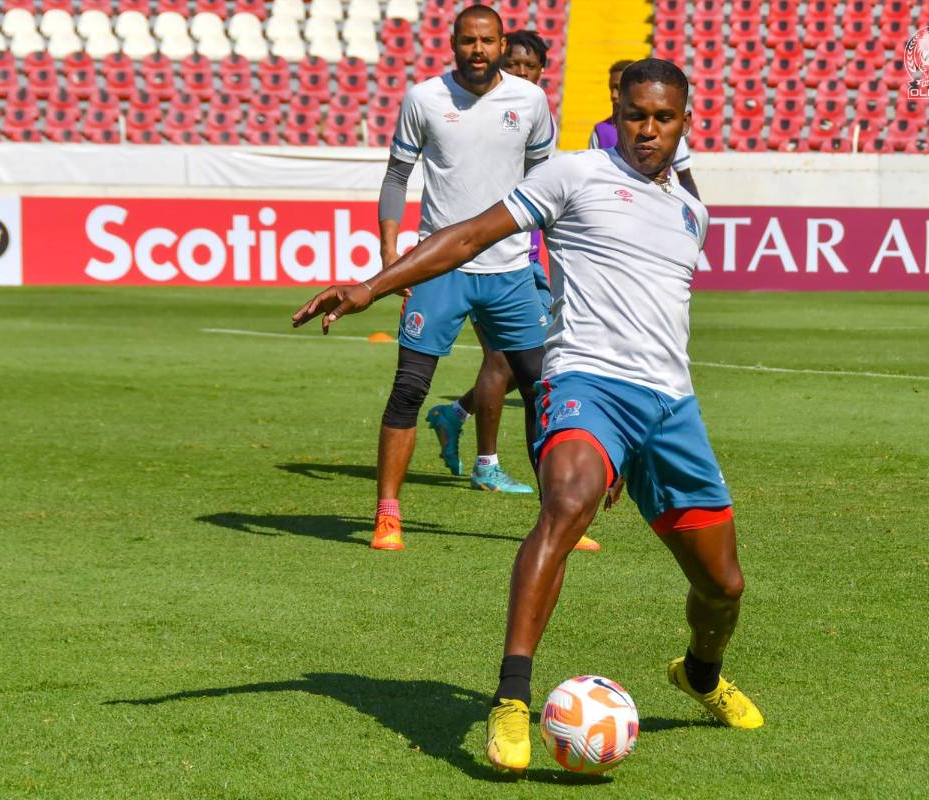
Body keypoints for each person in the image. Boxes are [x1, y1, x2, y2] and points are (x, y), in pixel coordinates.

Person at [292, 58, 763, 772]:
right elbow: (470, 235)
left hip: (671, 406)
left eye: (664, 118)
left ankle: (698, 673)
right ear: (619, 112)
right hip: (588, 384)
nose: (648, 130)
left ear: (685, 123)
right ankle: (512, 699)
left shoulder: (690, 214)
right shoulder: (573, 175)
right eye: (636, 115)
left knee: (722, 586)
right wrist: (370, 285)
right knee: (567, 501)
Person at [367, 6, 555, 551]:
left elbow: (546, 185)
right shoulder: (424, 98)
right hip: (440, 266)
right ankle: (387, 513)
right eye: (468, 40)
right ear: (453, 43)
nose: (478, 50)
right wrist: (390, 252)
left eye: (488, 41)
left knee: (542, 391)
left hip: (512, 268)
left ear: (501, 44)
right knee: (409, 388)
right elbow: (397, 175)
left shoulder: (532, 101)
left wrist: (556, 260)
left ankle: (556, 520)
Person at [426, 29, 605, 549]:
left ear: (542, 71)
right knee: (505, 361)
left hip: (528, 256)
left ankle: (454, 415)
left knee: (523, 364)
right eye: (517, 63)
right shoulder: (485, 108)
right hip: (487, 259)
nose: (522, 73)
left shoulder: (532, 112)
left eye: (531, 66)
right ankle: (486, 462)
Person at [590, 59, 701, 199]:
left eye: (619, 88)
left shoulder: (672, 131)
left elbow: (685, 176)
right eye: (611, 88)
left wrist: (694, 211)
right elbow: (593, 176)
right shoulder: (600, 131)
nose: (614, 94)